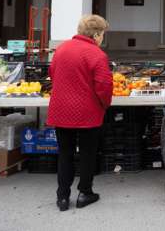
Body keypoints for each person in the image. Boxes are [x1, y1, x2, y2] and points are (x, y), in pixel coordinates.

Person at [47, 15, 113, 212]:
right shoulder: (96, 54)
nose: (102, 38)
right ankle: (85, 193)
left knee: (65, 153)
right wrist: (105, 104)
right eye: (102, 34)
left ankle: (62, 197)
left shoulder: (62, 49)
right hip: (87, 112)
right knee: (87, 154)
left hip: (61, 110)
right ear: (96, 34)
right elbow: (104, 85)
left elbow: (52, 72)